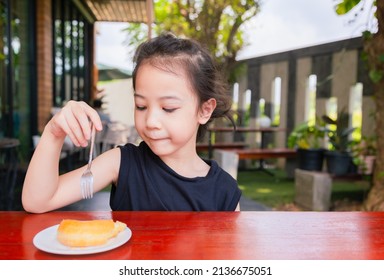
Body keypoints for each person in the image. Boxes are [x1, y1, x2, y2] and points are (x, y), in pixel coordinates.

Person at [22, 33, 241, 213]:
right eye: (141, 106)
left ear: (204, 110)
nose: (151, 121)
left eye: (168, 108)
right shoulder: (120, 163)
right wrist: (53, 133)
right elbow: (38, 201)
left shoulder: (224, 191)